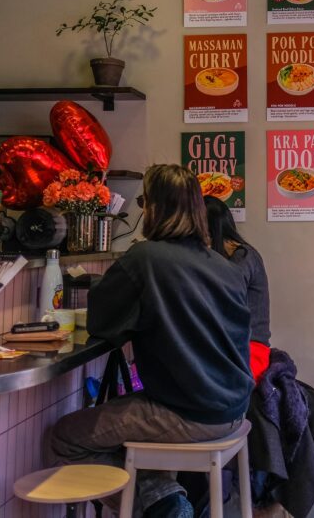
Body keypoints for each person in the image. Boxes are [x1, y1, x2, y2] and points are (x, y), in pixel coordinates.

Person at [48, 164, 254, 518]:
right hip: (233, 407)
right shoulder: (223, 265)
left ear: (156, 208)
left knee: (67, 436)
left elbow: (103, 322)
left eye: (144, 200)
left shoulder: (145, 258)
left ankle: (160, 506)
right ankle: (165, 495)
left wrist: (96, 287)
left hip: (189, 411)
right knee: (135, 427)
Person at [203, 195, 272, 379]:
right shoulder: (230, 257)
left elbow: (221, 296)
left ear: (209, 231)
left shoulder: (243, 257)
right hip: (234, 347)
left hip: (251, 350)